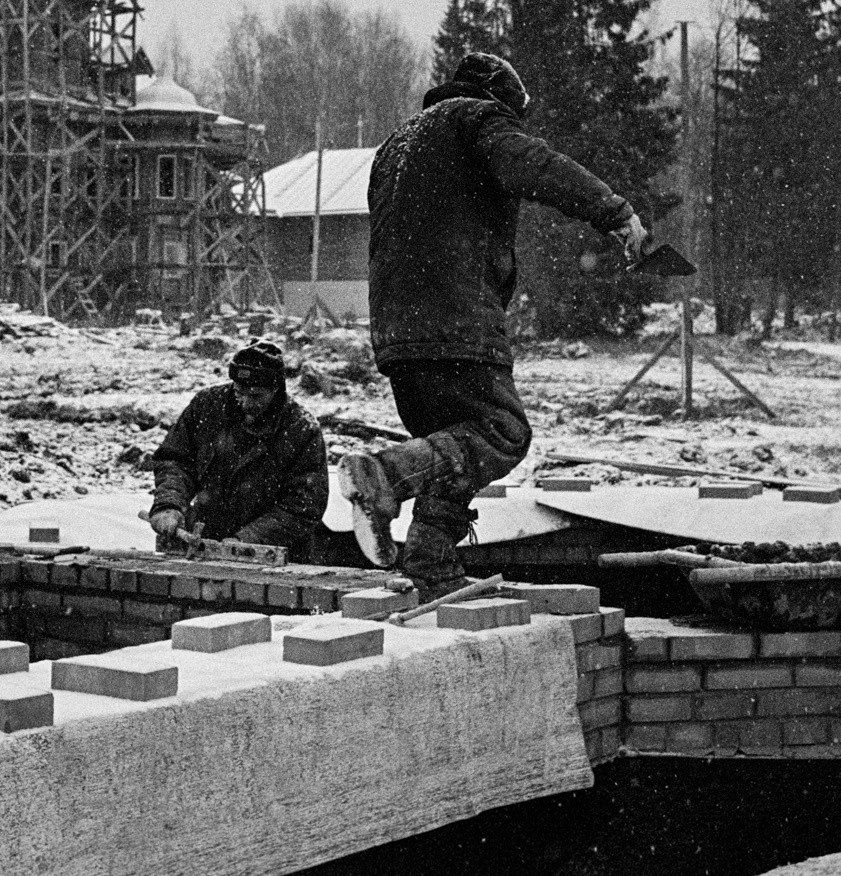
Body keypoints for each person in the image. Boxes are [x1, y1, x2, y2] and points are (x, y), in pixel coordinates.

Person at [339, 51, 645, 594]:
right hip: (454, 316)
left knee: (450, 449)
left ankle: (430, 563)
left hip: (395, 329)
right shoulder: (476, 119)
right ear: (502, 101)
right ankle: (384, 474)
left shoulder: (396, 146)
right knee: (501, 432)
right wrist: (613, 211)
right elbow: (534, 164)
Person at [148, 340, 329, 557]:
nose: (244, 402)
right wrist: (169, 503)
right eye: (239, 392)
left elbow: (304, 505)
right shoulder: (207, 407)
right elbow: (175, 460)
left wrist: (249, 540)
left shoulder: (301, 428)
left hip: (274, 553)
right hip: (205, 539)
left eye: (255, 396)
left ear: (276, 390)